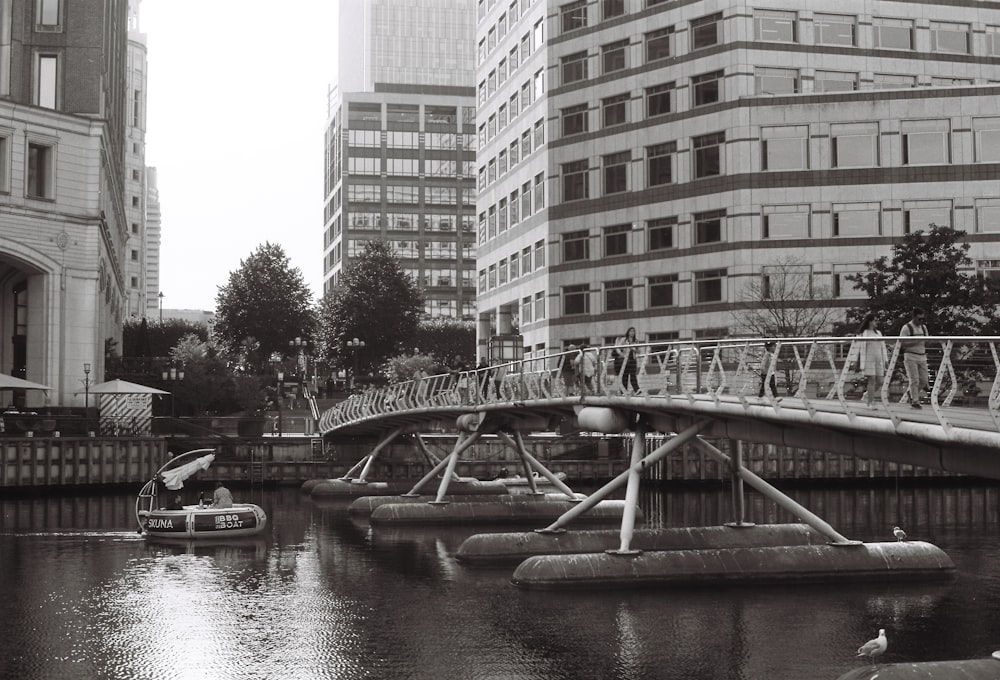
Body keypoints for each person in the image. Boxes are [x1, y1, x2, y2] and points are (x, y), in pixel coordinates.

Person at [900, 307, 930, 409]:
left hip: (922, 355)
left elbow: (927, 340)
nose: (921, 321)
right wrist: (916, 340)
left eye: (922, 319)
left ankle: (911, 393)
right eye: (919, 319)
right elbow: (902, 343)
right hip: (911, 355)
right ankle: (915, 400)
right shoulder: (907, 328)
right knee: (914, 379)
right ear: (914, 317)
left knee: (924, 380)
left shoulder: (923, 328)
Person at [856, 313, 888, 407]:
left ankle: (867, 395)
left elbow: (883, 347)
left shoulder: (878, 333)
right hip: (869, 360)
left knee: (880, 381)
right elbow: (858, 348)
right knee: (872, 380)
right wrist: (856, 362)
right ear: (870, 321)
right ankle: (871, 401)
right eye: (874, 320)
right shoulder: (863, 333)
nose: (876, 322)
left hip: (878, 360)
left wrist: (885, 359)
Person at [613, 327, 642, 394]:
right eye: (631, 331)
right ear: (628, 332)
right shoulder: (624, 340)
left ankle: (637, 389)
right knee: (625, 376)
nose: (632, 333)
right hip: (625, 359)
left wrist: (634, 349)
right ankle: (623, 391)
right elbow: (618, 348)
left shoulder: (636, 341)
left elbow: (639, 351)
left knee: (633, 375)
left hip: (633, 359)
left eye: (633, 331)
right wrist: (622, 354)